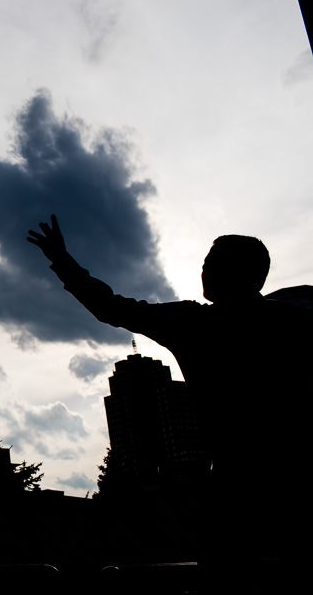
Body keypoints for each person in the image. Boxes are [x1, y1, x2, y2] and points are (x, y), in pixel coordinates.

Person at [28, 215, 312, 588]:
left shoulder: (194, 323)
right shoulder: (293, 319)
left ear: (233, 273)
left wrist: (62, 261)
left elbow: (113, 307)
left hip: (235, 486)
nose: (204, 271)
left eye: (211, 264)